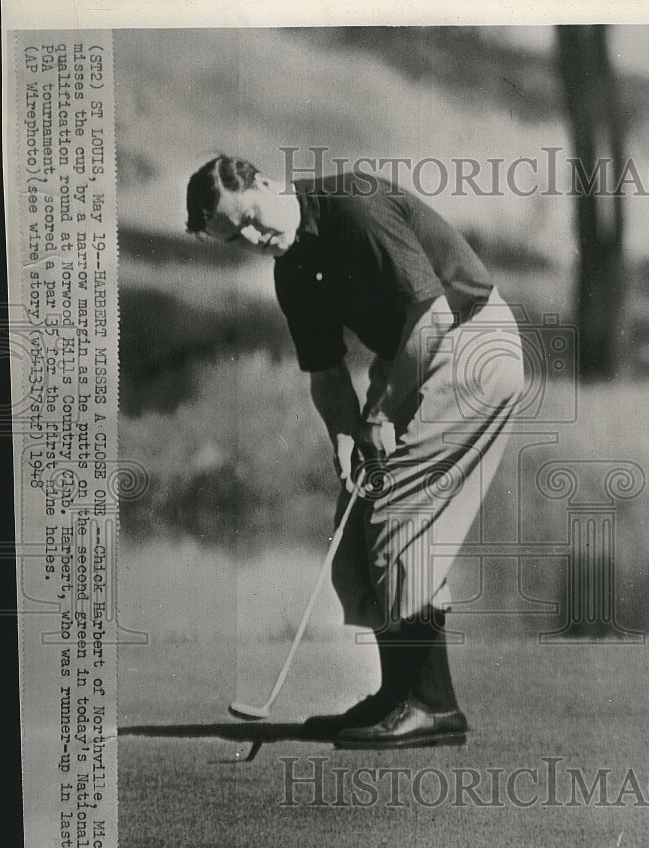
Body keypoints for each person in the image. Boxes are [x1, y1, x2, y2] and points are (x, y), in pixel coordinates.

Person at [186, 155, 525, 748]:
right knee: (364, 504)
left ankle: (433, 705)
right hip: (417, 355)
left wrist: (378, 416)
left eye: (251, 220)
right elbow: (326, 374)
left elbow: (432, 316)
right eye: (236, 238)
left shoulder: (352, 207)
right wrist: (346, 438)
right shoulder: (290, 272)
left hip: (473, 341)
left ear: (265, 183)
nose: (254, 238)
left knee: (398, 506)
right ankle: (399, 695)